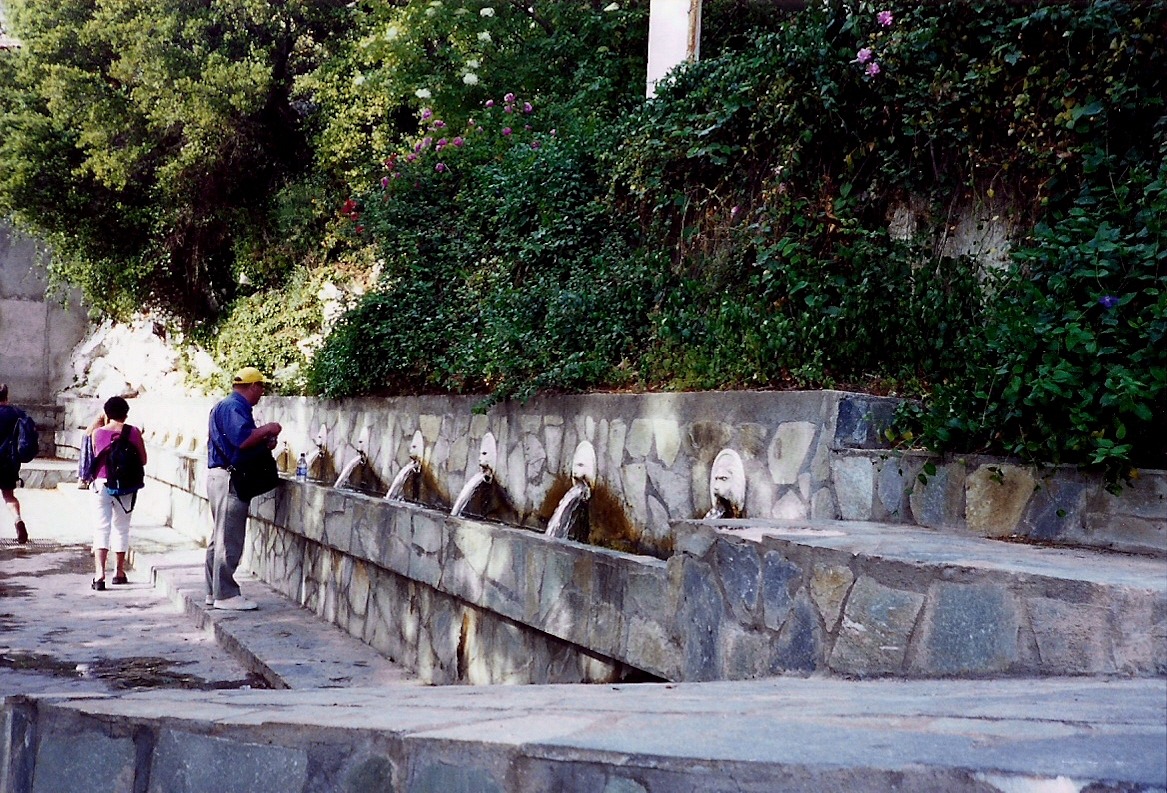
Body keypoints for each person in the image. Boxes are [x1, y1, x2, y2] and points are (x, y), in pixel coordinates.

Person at [205, 367, 281, 610]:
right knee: (229, 538)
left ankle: (213, 590)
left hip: (220, 477)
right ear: (252, 386)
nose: (262, 393)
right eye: (261, 387)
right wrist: (268, 429)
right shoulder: (234, 407)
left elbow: (243, 442)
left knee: (219, 537)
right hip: (229, 479)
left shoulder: (227, 405)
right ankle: (225, 595)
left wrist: (263, 441)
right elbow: (242, 439)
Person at [89, 396, 147, 590]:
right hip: (125, 485)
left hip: (101, 483)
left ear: (107, 414)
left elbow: (97, 455)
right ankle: (119, 572)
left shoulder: (97, 433)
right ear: (126, 414)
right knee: (121, 527)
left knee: (101, 527)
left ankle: (99, 576)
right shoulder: (133, 432)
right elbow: (143, 460)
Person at [0, 383, 29, 544]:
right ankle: (18, 521)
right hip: (9, 461)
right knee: (9, 495)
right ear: (7, 396)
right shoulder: (17, 413)